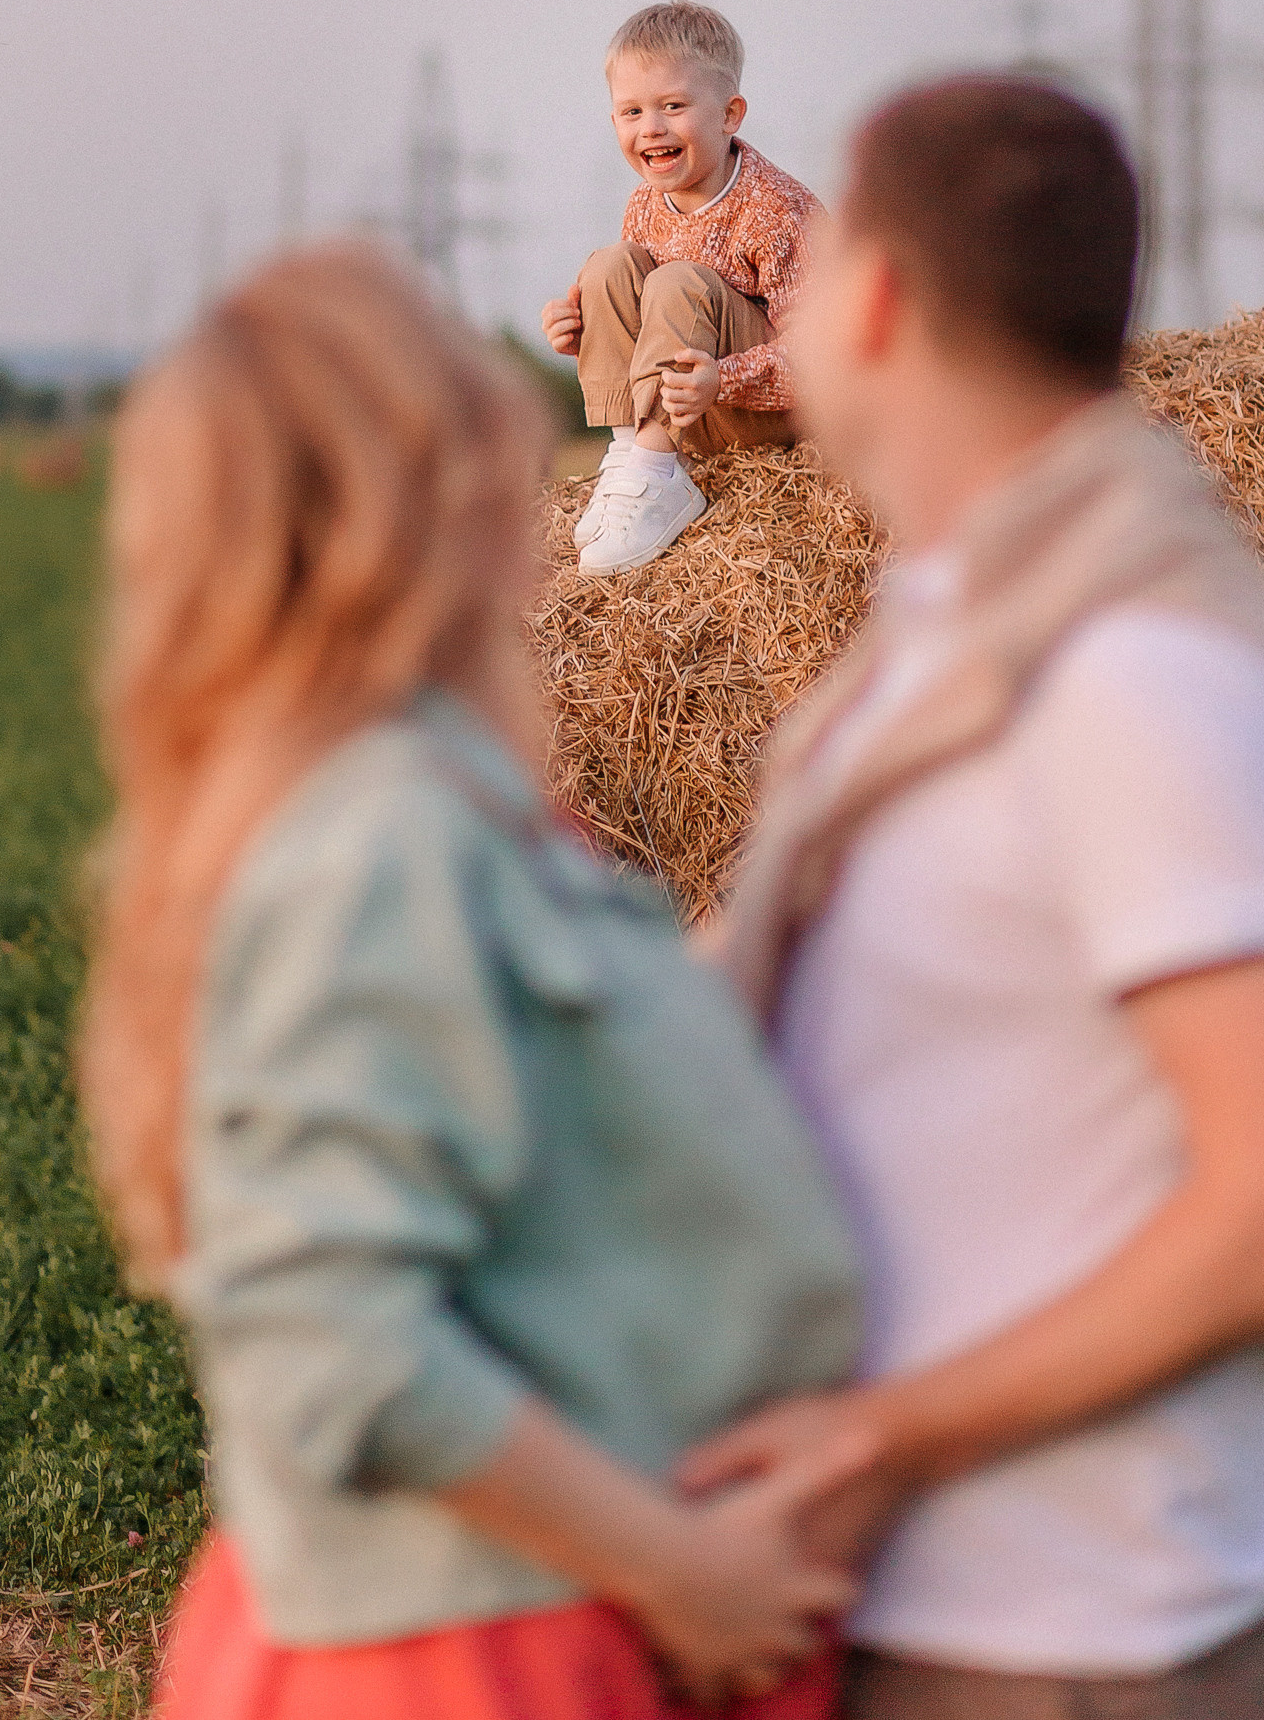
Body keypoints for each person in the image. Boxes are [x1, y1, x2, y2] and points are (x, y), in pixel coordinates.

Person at [79, 241, 868, 1720]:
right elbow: (330, 1337)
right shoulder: (374, 832)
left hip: (539, 1619)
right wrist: (677, 1569)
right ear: (423, 504)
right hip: (485, 1656)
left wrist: (804, 860)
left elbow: (555, 1058)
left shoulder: (429, 795)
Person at [684, 77, 1264, 1720]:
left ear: (883, 300)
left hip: (1062, 1648)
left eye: (814, 252)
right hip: (890, 1610)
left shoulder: (1140, 673)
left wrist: (881, 1438)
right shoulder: (960, 637)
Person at [542, 1, 822, 577]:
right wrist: (584, 329)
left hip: (763, 413)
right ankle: (633, 461)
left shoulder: (776, 212)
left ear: (730, 114)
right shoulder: (644, 202)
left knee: (677, 281)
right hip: (688, 408)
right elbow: (646, 323)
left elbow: (825, 357)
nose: (651, 128)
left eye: (673, 106)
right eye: (631, 111)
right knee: (609, 267)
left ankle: (655, 470)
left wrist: (726, 377)